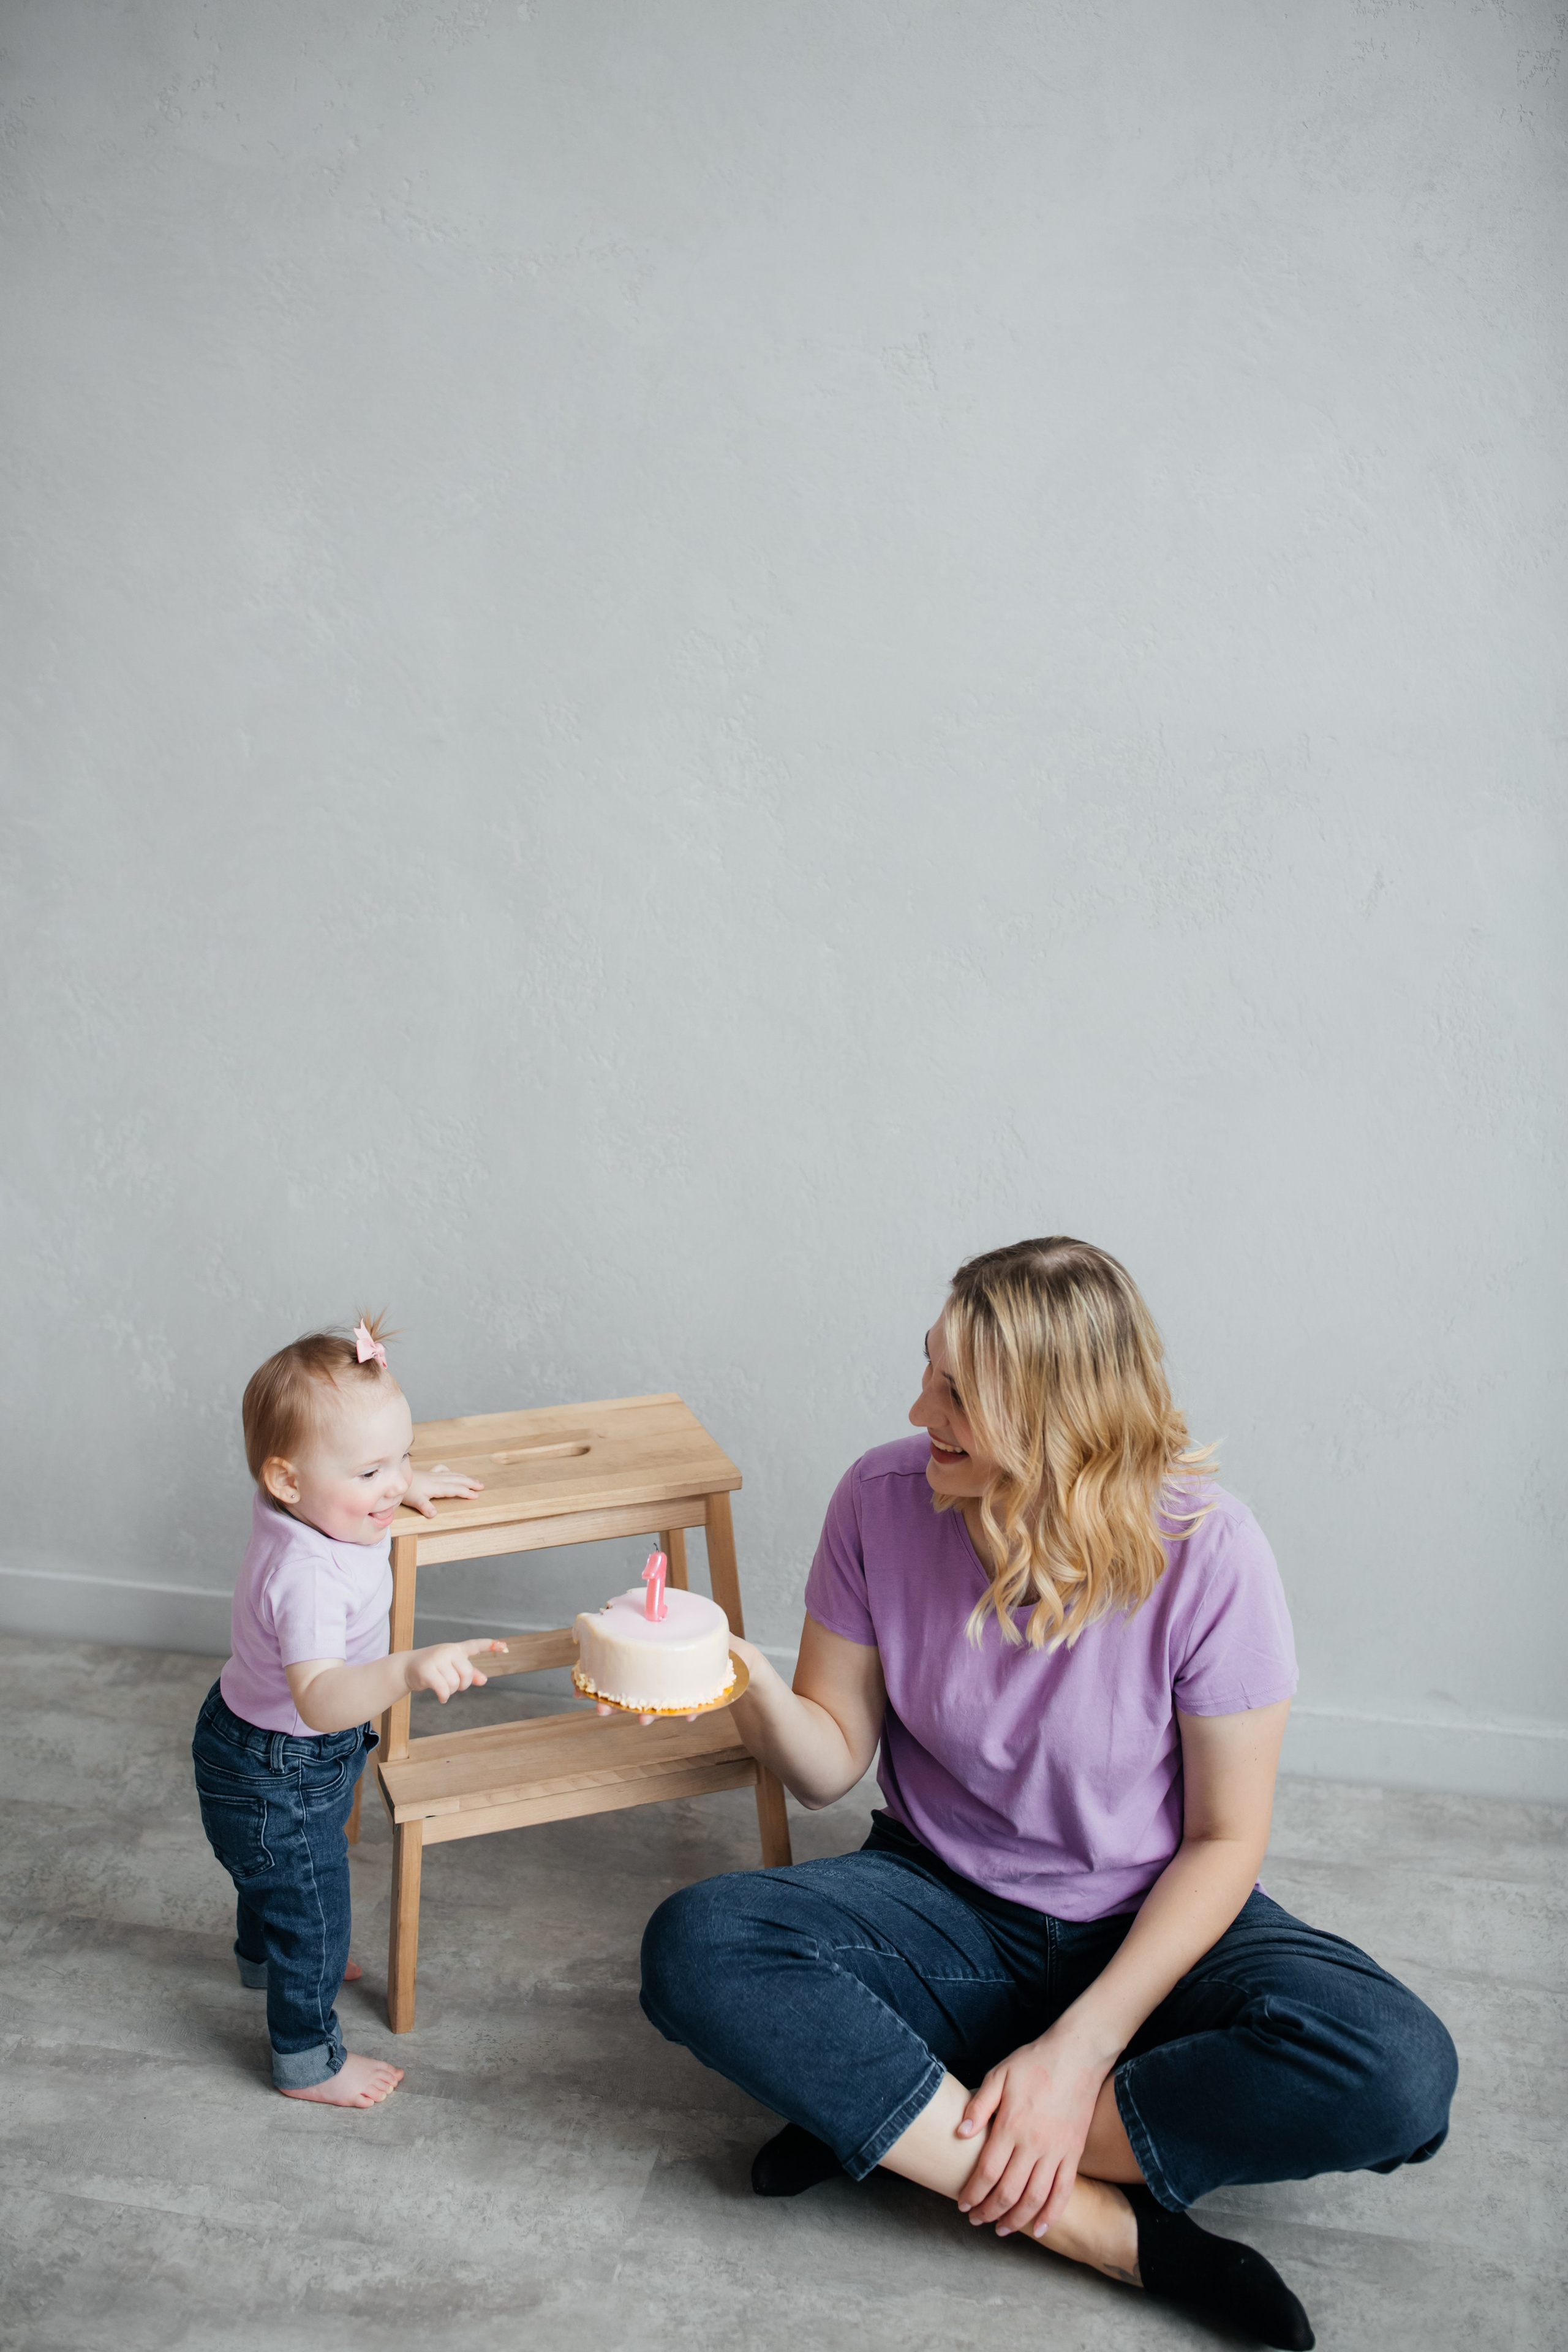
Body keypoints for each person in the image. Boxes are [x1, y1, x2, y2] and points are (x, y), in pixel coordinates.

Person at [640, 1238, 1457, 2349]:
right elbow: (832, 1759)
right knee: (699, 1944)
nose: (919, 1403)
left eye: (958, 1392)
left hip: (1150, 1922)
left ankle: (902, 2120)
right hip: (941, 1905)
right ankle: (1111, 2232)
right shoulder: (880, 1501)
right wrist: (738, 1673)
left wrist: (1080, 2053)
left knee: (1398, 2071)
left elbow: (1226, 1839)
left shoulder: (1211, 1554)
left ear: (1055, 1414)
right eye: (931, 1369)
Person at [191, 1314, 506, 2106]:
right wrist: (404, 1666)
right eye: (372, 1472)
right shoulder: (309, 1575)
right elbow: (322, 1698)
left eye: (401, 1456)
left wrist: (395, 1485)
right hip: (280, 1762)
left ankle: (261, 1958)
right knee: (316, 1910)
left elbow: (365, 1484)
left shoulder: (312, 1507)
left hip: (263, 1747)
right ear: (287, 1481)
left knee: (276, 1880)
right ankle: (307, 2060)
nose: (395, 1485)